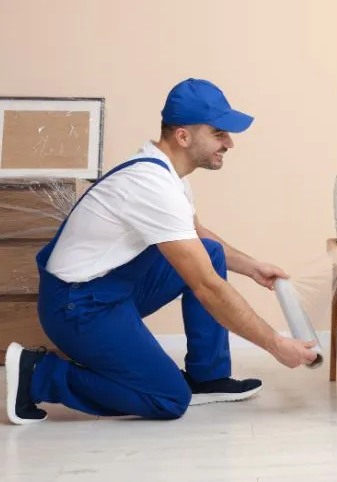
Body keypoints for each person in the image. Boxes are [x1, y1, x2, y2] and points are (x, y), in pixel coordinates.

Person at [5, 78, 318, 425]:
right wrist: (275, 344)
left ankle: (208, 377)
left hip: (106, 289)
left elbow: (196, 235)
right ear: (183, 136)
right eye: (218, 133)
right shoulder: (151, 186)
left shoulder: (170, 175)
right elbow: (207, 287)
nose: (229, 143)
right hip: (77, 307)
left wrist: (252, 267)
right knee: (168, 398)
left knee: (208, 252)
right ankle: (39, 376)